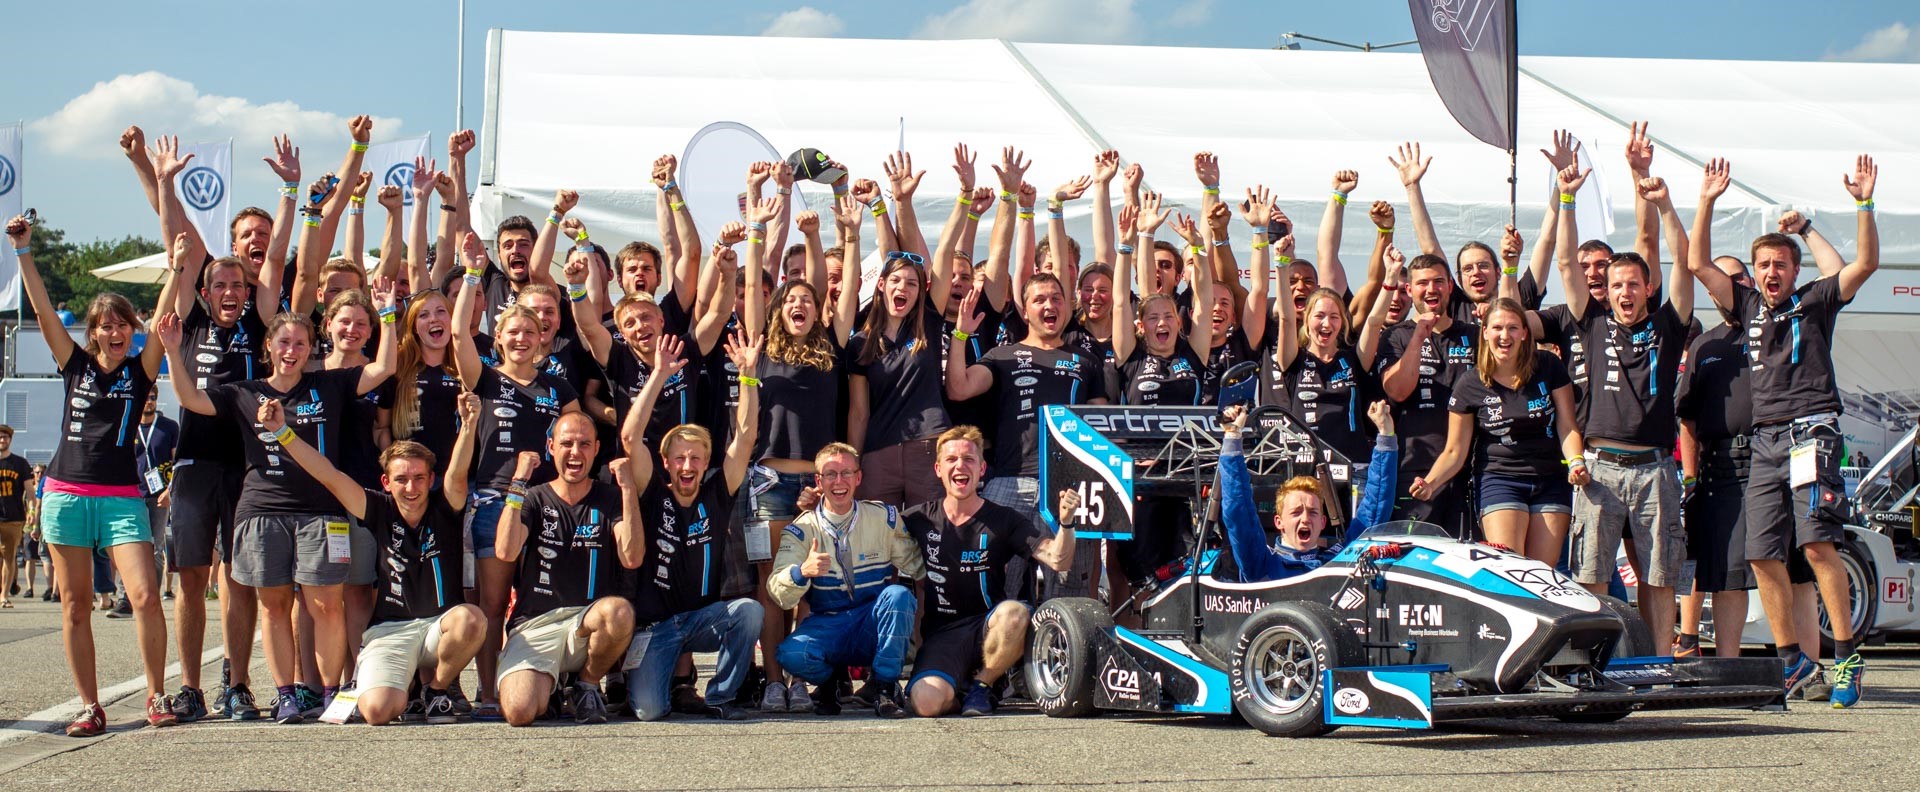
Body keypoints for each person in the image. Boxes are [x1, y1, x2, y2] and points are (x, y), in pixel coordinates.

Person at [160, 270, 398, 724]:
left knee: (326, 605)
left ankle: (330, 692)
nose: (291, 351)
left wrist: (386, 312)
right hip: (263, 512)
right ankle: (286, 693)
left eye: (300, 344)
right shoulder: (245, 394)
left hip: (321, 512)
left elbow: (384, 367)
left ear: (311, 349)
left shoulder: (329, 384)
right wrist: (173, 350)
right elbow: (191, 400)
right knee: (274, 606)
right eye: (284, 343)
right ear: (269, 346)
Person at [1689, 154, 1880, 707]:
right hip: (1765, 440)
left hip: (1811, 434)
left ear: (1796, 271)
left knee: (1817, 546)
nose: (1772, 272)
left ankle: (1846, 656)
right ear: (1752, 272)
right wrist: (1707, 200)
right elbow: (1697, 260)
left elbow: (1863, 263)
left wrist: (1855, 207)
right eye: (1764, 264)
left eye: (1780, 264)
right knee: (1761, 555)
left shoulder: (1815, 301)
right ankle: (1793, 659)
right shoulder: (1746, 303)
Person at [10, 213, 176, 736]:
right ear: (93, 332)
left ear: (133, 330)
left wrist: (176, 268)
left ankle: (156, 695)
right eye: (106, 325)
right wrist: (24, 251)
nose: (115, 332)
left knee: (145, 596)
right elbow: (42, 309)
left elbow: (165, 310)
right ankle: (89, 705)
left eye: (123, 324)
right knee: (76, 606)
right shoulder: (75, 365)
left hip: (122, 498)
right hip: (66, 495)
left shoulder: (140, 369)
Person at [1546, 166, 1697, 654]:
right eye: (1616, 286)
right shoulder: (1589, 324)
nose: (1624, 293)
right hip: (1599, 470)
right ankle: (1594, 666)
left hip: (1656, 469)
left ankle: (1658, 667)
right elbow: (1565, 263)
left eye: (1633, 284)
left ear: (1648, 288)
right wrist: (1567, 200)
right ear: (1606, 291)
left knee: (1659, 577)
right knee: (1590, 575)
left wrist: (1666, 205)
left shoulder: (1669, 325)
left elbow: (1684, 263)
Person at [263, 391, 484, 725]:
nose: (411, 488)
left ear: (431, 480)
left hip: (439, 627)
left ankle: (436, 690)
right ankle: (404, 687)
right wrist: (282, 432)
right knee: (378, 712)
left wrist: (469, 424)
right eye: (401, 479)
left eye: (419, 478)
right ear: (386, 482)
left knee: (472, 619)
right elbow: (328, 475)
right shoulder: (378, 508)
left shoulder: (446, 506)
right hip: (392, 630)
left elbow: (458, 472)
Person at [452, 231, 583, 719]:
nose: (523, 338)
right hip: (494, 501)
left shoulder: (558, 386)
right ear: (500, 337)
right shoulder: (484, 377)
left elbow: (579, 434)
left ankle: (543, 683)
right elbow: (460, 334)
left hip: (547, 502)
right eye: (513, 331)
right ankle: (489, 692)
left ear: (542, 336)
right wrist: (472, 273)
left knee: (544, 599)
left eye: (531, 331)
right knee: (492, 603)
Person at [739, 192, 860, 712]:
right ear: (778, 308)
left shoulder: (832, 345)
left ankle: (799, 678)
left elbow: (844, 287)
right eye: (791, 299)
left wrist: (824, 236)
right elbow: (752, 287)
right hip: (769, 485)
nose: (799, 305)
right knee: (774, 587)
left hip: (819, 486)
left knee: (811, 585)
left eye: (808, 299)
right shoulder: (760, 347)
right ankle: (772, 680)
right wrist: (757, 231)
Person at [624, 331, 765, 721]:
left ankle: (720, 696)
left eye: (696, 458)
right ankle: (662, 682)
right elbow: (630, 437)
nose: (688, 466)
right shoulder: (653, 493)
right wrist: (658, 375)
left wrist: (747, 375)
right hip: (656, 627)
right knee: (650, 711)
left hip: (702, 620)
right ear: (666, 462)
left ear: (706, 463)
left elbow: (746, 437)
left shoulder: (717, 493)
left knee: (749, 611)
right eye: (680, 458)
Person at [905, 426, 1077, 717]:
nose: (960, 466)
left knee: (1015, 612)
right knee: (925, 703)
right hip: (942, 634)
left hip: (989, 627)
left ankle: (984, 685)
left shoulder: (1003, 518)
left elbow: (1059, 560)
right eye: (951, 459)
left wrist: (1067, 522)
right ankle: (961, 693)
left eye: (969, 459)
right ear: (938, 469)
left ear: (982, 468)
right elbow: (872, 531)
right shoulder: (919, 517)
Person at [1413, 299, 1588, 564]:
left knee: (1541, 572)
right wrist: (1430, 483)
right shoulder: (1470, 383)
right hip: (1500, 479)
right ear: (1484, 332)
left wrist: (1576, 462)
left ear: (1524, 333)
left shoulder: (1548, 365)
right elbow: (1454, 451)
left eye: (1512, 328)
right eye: (1497, 328)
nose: (1505, 336)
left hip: (1551, 479)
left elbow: (1567, 425)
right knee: (1510, 566)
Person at [493, 418, 643, 727]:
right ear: (551, 447)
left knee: (619, 612)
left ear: (596, 449)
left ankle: (586, 685)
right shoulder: (534, 497)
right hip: (536, 625)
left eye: (584, 444)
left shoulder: (610, 497)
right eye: (566, 443)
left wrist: (628, 489)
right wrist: (519, 480)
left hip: (587, 625)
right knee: (520, 712)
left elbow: (631, 557)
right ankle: (552, 687)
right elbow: (505, 551)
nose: (575, 452)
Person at [769, 444, 924, 717]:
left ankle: (885, 687)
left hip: (871, 622)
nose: (838, 482)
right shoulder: (802, 529)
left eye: (846, 473)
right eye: (830, 474)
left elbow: (918, 566)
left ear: (858, 477)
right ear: (818, 481)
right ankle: (831, 685)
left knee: (899, 596)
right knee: (791, 654)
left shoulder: (882, 518)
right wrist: (802, 571)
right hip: (828, 623)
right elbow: (778, 591)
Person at [1219, 402, 1399, 581]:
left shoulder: (1337, 561)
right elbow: (1239, 512)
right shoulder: (1262, 563)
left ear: (1322, 522)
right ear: (1279, 522)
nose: (1305, 519)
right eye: (1296, 512)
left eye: (1313, 512)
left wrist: (1386, 435)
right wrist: (1232, 437)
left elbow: (1374, 511)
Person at [1377, 253, 1479, 533]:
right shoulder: (1395, 336)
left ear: (1450, 286)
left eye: (1438, 282)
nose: (1431, 289)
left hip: (1473, 470)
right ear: (1410, 290)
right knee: (1416, 552)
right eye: (1423, 283)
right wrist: (1419, 336)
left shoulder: (1476, 336)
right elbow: (1397, 391)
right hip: (1414, 470)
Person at [120, 392, 178, 615]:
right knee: (128, 545)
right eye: (145, 397)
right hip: (132, 495)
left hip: (159, 496)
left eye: (153, 397)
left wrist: (170, 490)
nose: (149, 401)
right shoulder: (128, 426)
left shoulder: (168, 427)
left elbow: (177, 461)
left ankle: (151, 597)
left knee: (155, 548)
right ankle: (125, 598)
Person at [0, 425, 34, 608]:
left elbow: (30, 491)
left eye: (5, 437)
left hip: (13, 519)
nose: (2, 440)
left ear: (10, 440)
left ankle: (4, 595)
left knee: (9, 557)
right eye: (0, 437)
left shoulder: (20, 463)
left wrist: (32, 512)